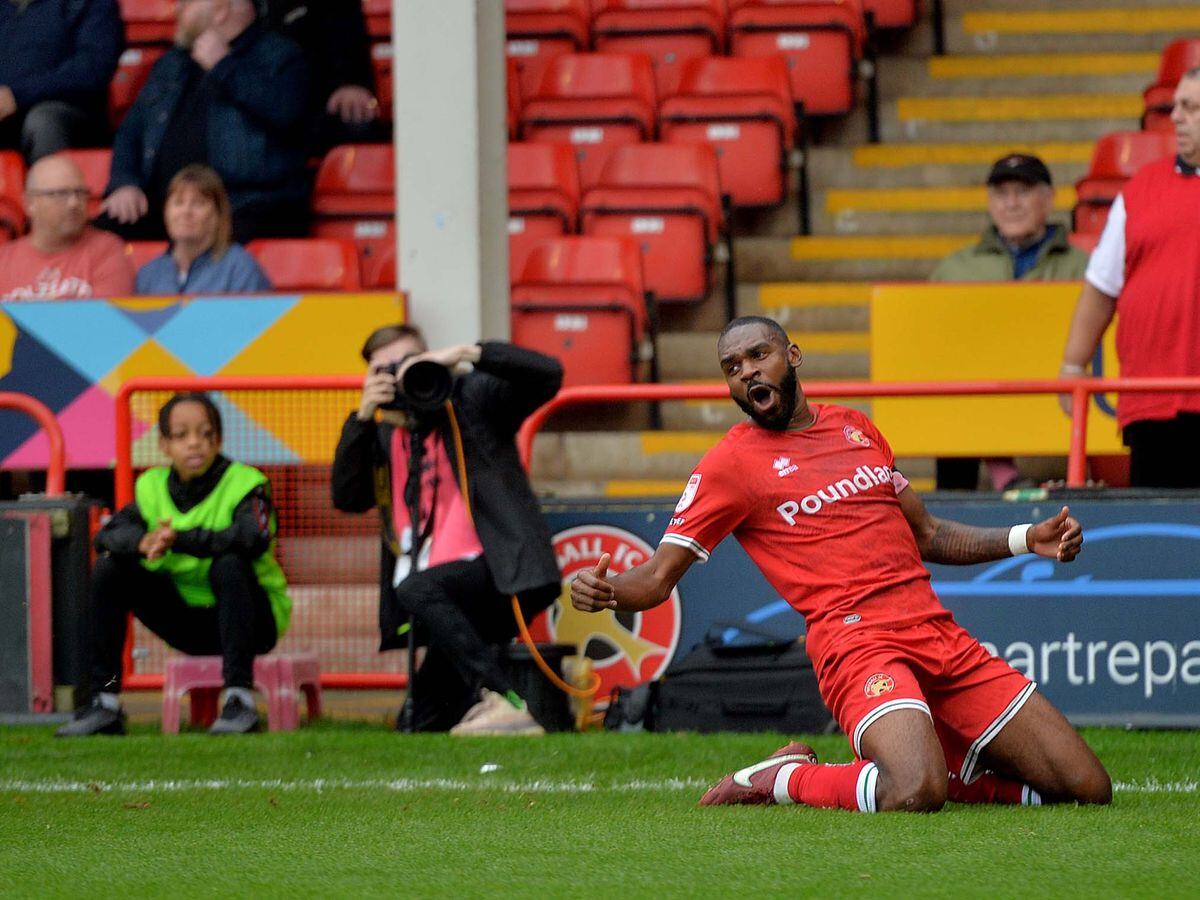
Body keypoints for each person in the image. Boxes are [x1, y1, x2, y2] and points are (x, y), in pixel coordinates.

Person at [571, 316, 1112, 813]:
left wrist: (1026, 538)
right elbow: (658, 578)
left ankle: (962, 769)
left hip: (936, 633)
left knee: (1088, 787)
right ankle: (785, 778)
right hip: (857, 646)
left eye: (759, 355)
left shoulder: (856, 428)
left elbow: (928, 533)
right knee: (915, 789)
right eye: (732, 368)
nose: (746, 373)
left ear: (794, 356)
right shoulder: (730, 465)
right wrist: (610, 590)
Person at [332, 324, 563, 736]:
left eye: (407, 363)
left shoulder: (471, 401)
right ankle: (496, 710)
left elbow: (548, 374)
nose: (399, 376)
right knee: (417, 724)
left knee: (416, 589)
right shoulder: (382, 433)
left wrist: (464, 353)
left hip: (501, 569)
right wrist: (362, 418)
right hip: (441, 587)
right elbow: (348, 498)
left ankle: (505, 700)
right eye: (385, 370)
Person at [57, 392, 291, 736]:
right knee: (111, 569)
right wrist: (142, 542)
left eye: (204, 433)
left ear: (219, 439)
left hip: (254, 623)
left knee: (229, 563)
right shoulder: (150, 485)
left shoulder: (248, 483)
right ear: (164, 445)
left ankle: (239, 700)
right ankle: (104, 702)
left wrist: (179, 539)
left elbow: (252, 537)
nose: (194, 444)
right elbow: (107, 536)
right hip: (187, 623)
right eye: (181, 435)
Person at [1061, 68, 1200, 489]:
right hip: (1152, 406)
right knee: (1160, 542)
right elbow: (1102, 287)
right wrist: (1072, 365)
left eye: (1191, 107)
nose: (1175, 116)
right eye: (1176, 104)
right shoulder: (1140, 187)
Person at [930, 153, 1089, 491]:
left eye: (1023, 191)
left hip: (1054, 410)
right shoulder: (955, 269)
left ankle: (1008, 476)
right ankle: (1004, 476)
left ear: (1048, 198)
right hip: (970, 417)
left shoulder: (1084, 267)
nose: (1011, 203)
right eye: (1002, 194)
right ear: (990, 202)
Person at [97, 0, 310, 244]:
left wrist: (224, 68)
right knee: (99, 240)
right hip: (167, 205)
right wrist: (125, 182)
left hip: (243, 205)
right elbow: (131, 131)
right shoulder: (171, 62)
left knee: (217, 253)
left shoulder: (280, 56)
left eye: (186, 3)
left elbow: (286, 113)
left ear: (219, 11)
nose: (176, 10)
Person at [0, 0, 123, 162]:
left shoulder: (90, 4)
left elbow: (91, 70)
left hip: (69, 112)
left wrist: (17, 95)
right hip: (6, 112)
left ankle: (51, 185)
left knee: (43, 121)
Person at [0, 154, 132, 299]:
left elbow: (106, 319)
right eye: (60, 194)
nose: (73, 203)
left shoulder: (107, 251)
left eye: (80, 193)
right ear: (30, 203)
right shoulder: (3, 260)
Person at [262, 0, 386, 152]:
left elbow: (345, 27)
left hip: (314, 105)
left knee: (357, 122)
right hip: (253, 101)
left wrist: (350, 82)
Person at [135, 164, 271, 294]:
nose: (186, 211)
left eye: (198, 203)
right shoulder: (148, 275)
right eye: (178, 202)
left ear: (218, 214)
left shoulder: (240, 269)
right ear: (166, 212)